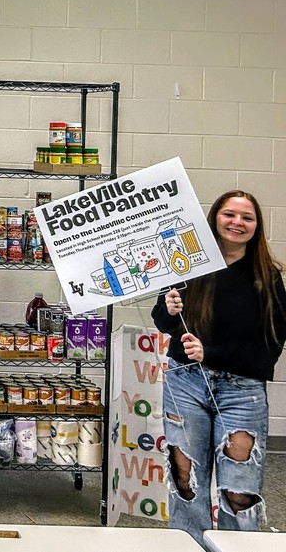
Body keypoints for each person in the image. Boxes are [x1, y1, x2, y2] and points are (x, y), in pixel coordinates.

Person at [151, 190, 286, 544]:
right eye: (230, 214)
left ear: (256, 227)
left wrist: (209, 353)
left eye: (247, 217)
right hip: (185, 384)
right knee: (185, 480)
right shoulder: (188, 265)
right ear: (214, 218)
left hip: (242, 392)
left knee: (238, 493)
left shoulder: (267, 277)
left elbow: (269, 350)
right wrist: (168, 304)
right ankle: (187, 546)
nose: (237, 223)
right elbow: (164, 323)